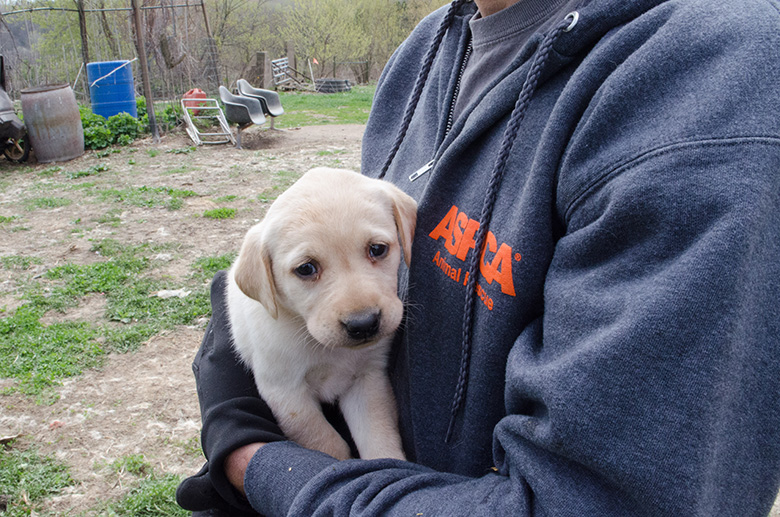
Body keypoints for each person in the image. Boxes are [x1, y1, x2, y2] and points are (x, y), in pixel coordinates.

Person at [177, 0, 780, 514]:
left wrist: (258, 464)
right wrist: (239, 332)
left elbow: (570, 502)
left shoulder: (717, 90)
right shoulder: (428, 47)